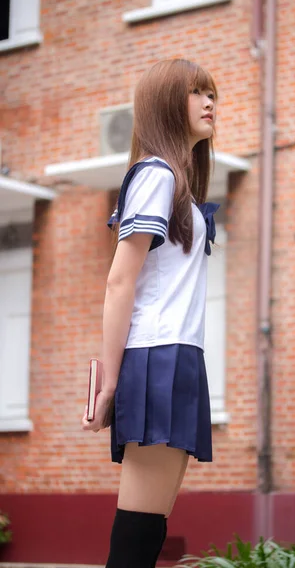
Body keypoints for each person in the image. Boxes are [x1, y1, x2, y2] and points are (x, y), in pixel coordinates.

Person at [81, 58, 219, 568]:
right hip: (156, 356)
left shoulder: (177, 180)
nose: (210, 103)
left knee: (150, 528)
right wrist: (109, 384)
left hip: (178, 354)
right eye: (197, 92)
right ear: (166, 103)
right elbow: (120, 280)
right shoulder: (157, 175)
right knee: (139, 532)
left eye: (213, 95)